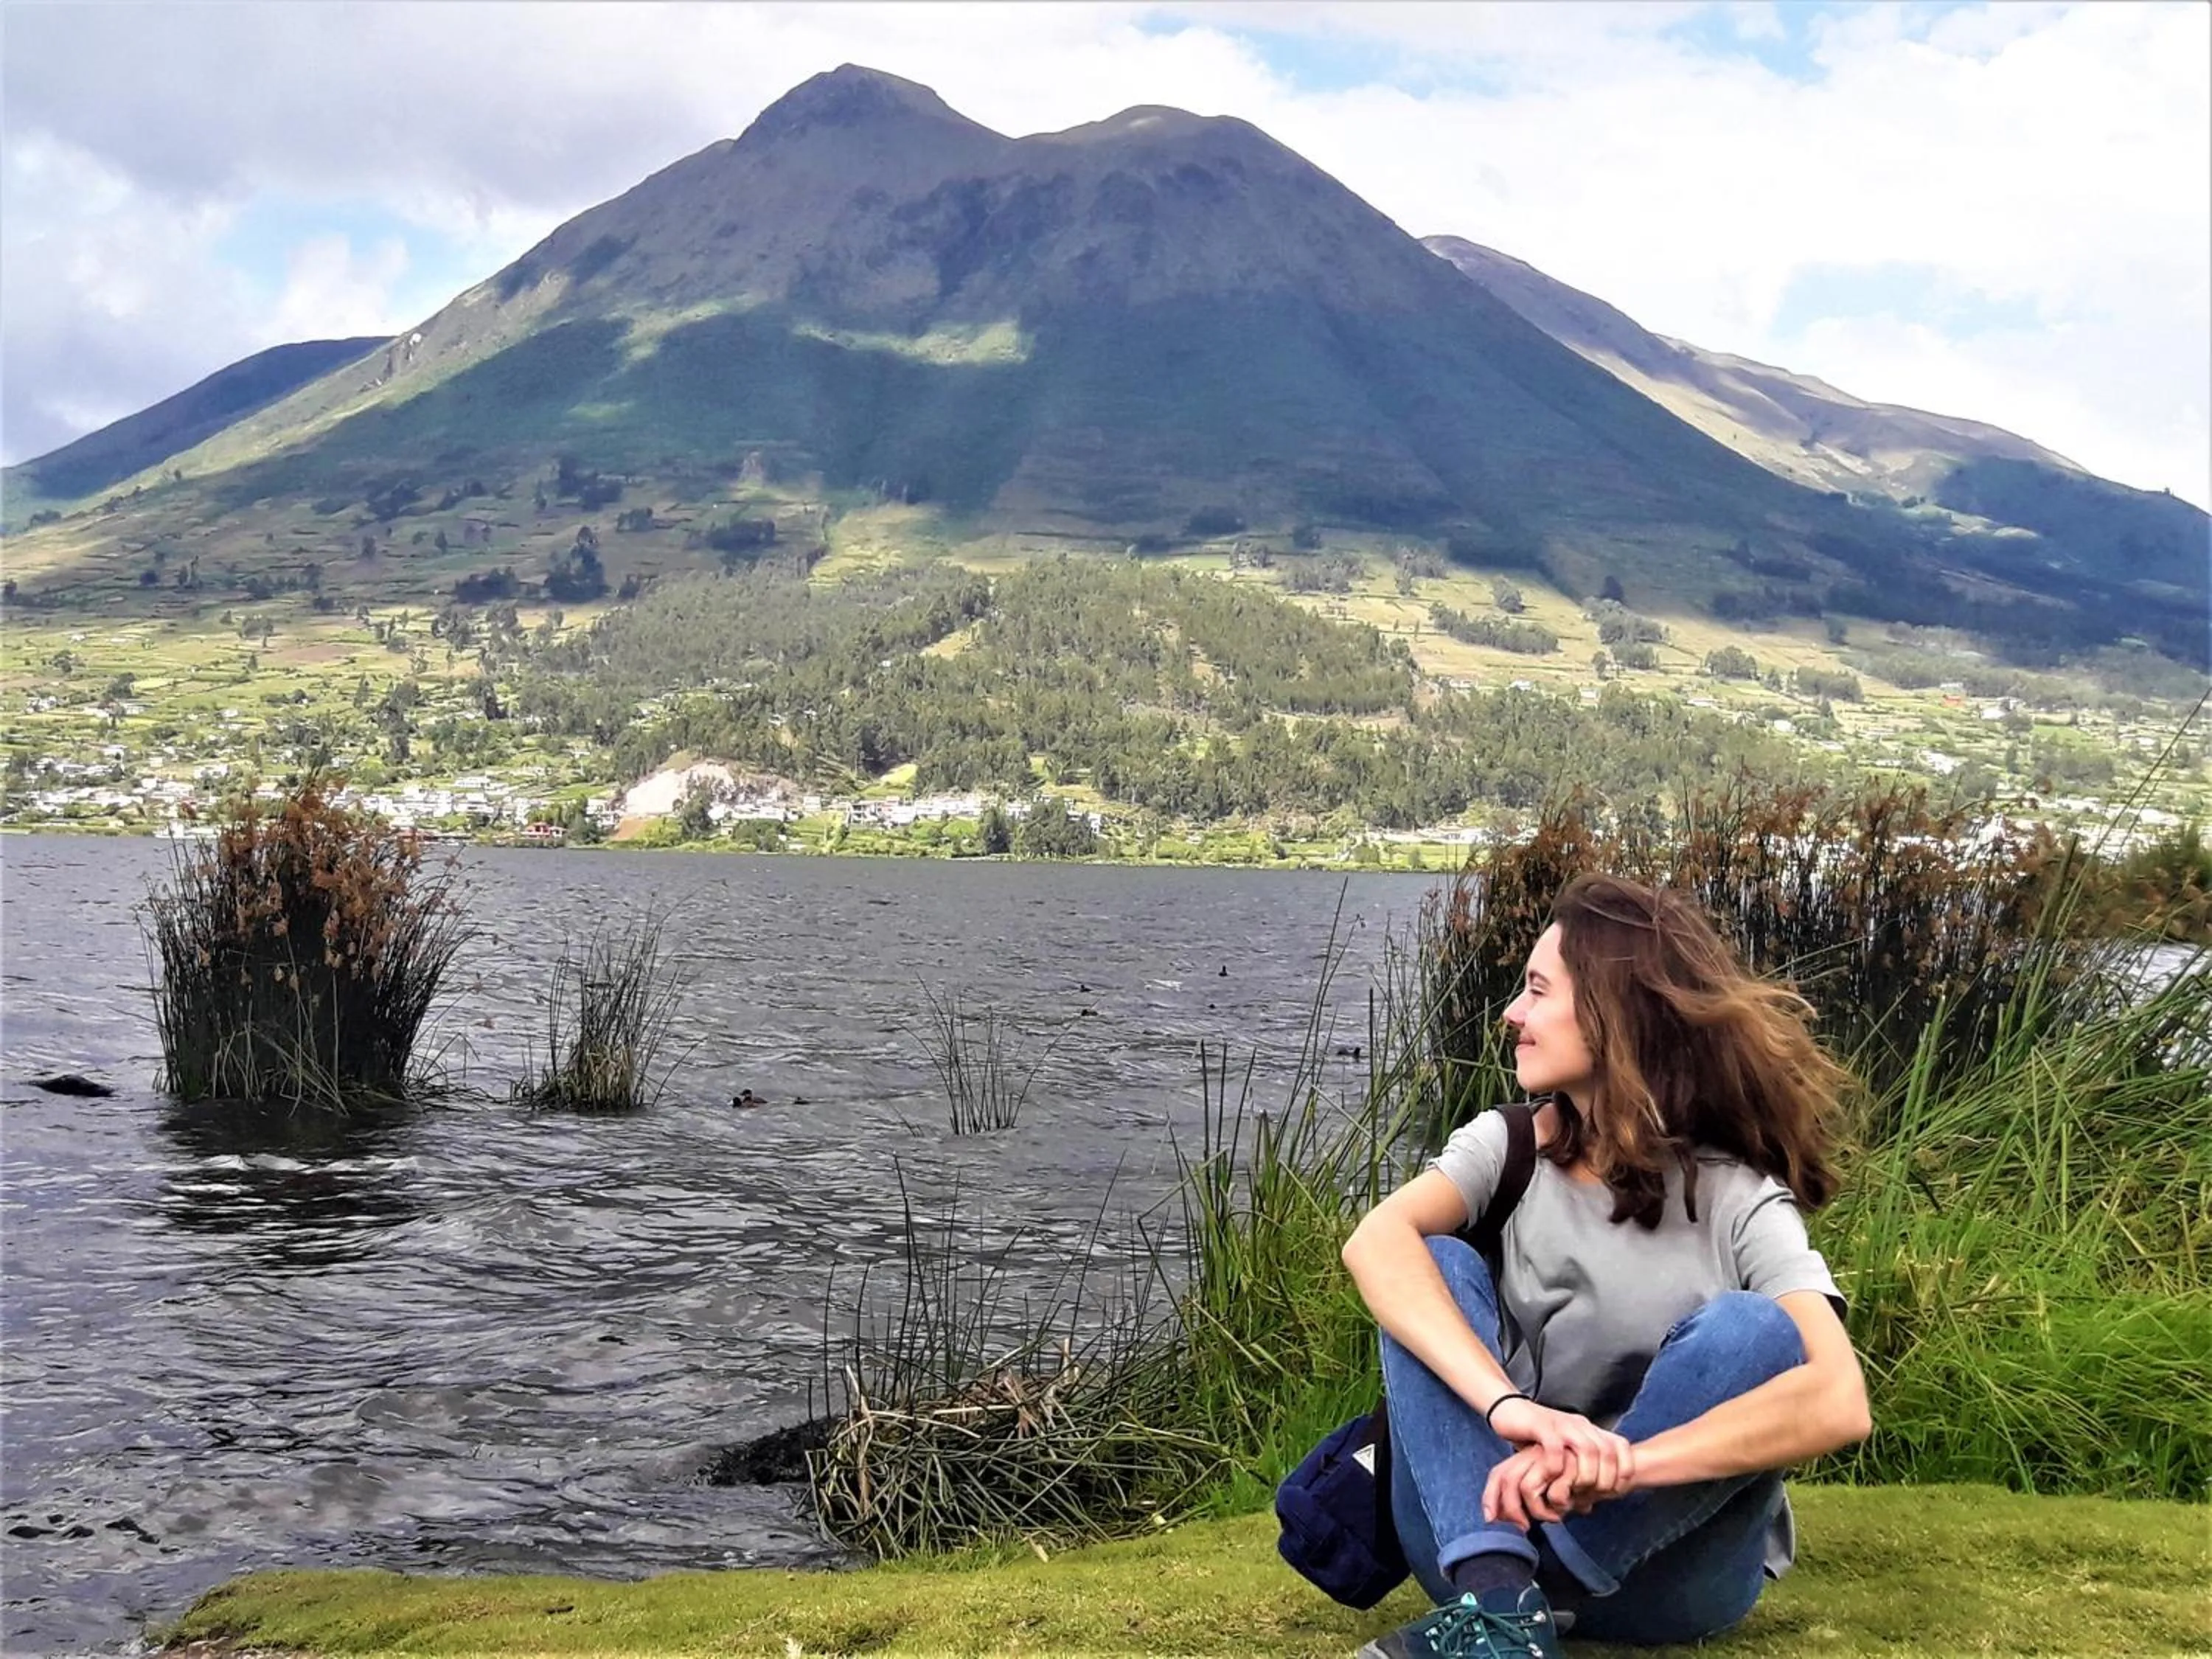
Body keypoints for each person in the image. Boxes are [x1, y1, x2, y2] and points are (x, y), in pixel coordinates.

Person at [1340, 873, 1871, 1659]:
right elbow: (1373, 1243)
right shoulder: (1511, 1146)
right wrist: (1509, 1411)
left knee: (1755, 1333)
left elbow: (1840, 1401)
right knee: (1431, 1261)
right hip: (1485, 1531)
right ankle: (1499, 1602)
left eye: (1537, 991)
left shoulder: (1740, 1198)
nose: (1512, 1015)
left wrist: (1623, 1469)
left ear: (1612, 1014)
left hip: (1666, 1574)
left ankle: (1507, 1620)